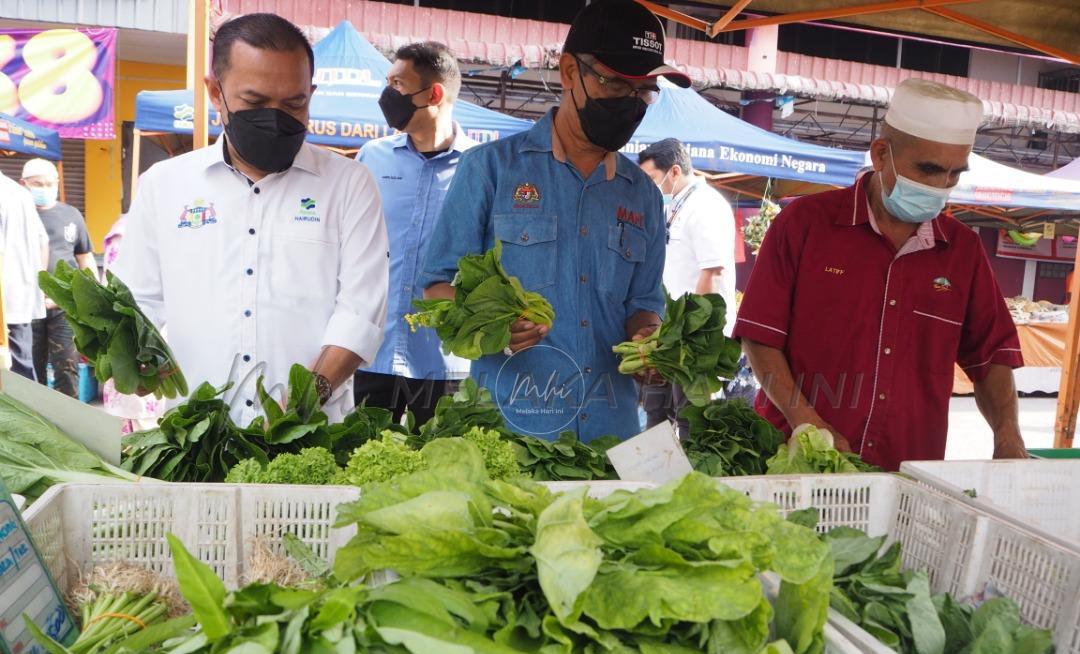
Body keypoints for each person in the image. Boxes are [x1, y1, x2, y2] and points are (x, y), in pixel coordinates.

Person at [419, 0, 689, 442]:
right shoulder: (490, 170)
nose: (632, 103)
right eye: (617, 83)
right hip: (510, 436)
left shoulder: (642, 194)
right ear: (568, 73)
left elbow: (644, 305)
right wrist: (493, 328)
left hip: (612, 436)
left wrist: (651, 348)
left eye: (644, 91)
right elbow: (437, 287)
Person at [734, 78, 1026, 471]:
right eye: (928, 169)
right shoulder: (804, 224)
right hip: (793, 460)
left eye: (955, 174)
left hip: (905, 471)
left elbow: (992, 356)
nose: (941, 186)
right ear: (880, 154)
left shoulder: (963, 251)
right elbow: (760, 335)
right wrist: (806, 421)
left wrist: (1008, 436)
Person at [113, 12, 389, 423]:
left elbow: (361, 312)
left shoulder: (350, 185)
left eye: (294, 103)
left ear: (310, 94)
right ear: (215, 92)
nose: (275, 116)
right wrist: (131, 359)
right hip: (196, 435)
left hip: (314, 432)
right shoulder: (164, 185)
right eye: (255, 102)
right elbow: (138, 302)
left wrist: (303, 402)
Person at [354, 41, 475, 426]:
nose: (387, 94)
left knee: (441, 474)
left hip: (446, 360)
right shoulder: (370, 159)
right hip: (371, 350)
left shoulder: (480, 170)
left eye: (397, 84)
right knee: (360, 467)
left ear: (434, 93)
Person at [638, 137, 737, 434]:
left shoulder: (706, 207)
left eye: (653, 179)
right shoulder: (674, 206)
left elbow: (713, 271)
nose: (650, 186)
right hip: (670, 332)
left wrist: (689, 331)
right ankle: (654, 478)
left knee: (690, 416)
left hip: (696, 336)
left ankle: (695, 479)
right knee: (656, 410)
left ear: (675, 171)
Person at [21, 158, 96, 397]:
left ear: (57, 183)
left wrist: (93, 296)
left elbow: (85, 257)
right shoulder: (17, 215)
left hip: (64, 307)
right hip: (26, 308)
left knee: (67, 365)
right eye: (37, 184)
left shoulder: (70, 215)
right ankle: (34, 424)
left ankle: (70, 422)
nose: (44, 188)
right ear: (23, 184)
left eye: (49, 183)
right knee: (30, 371)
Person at [100, 216, 166, 432]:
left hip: (168, 340)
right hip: (138, 338)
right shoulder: (125, 233)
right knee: (137, 426)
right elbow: (118, 294)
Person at [0, 168, 48, 381]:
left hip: (7, 301)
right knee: (22, 374)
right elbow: (42, 242)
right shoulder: (19, 194)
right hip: (19, 298)